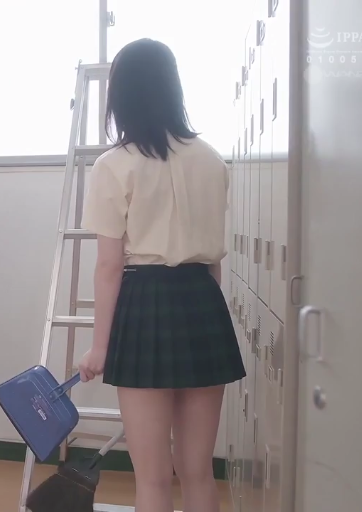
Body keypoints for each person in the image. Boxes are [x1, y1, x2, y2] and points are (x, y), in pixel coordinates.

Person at [76, 39, 246, 512]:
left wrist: (99, 346)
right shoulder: (210, 158)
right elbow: (214, 260)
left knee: (152, 479)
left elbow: (110, 265)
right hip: (203, 302)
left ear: (121, 95)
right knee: (198, 473)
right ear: (173, 88)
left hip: (145, 305)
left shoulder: (114, 165)